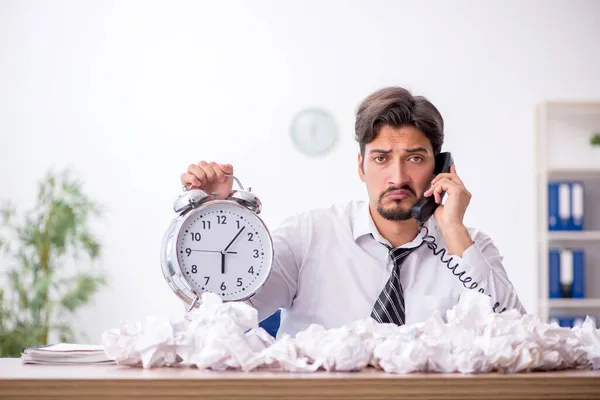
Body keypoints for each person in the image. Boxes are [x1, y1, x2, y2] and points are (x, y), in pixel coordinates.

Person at [180, 86, 526, 338]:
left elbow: (517, 336)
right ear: (361, 167)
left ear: (441, 169)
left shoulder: (470, 249)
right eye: (381, 158)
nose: (398, 177)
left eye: (416, 158)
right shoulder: (308, 236)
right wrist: (218, 222)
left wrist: (452, 230)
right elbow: (221, 319)